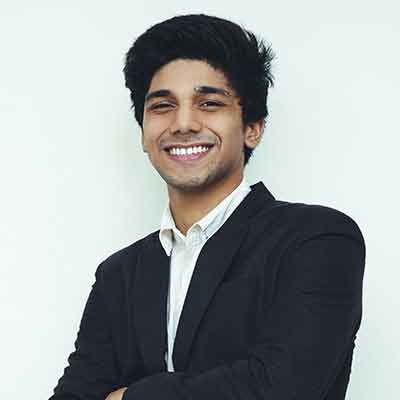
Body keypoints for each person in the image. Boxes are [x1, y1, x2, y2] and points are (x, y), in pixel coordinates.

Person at [49, 13, 366, 400]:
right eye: (162, 106)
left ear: (252, 128)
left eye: (209, 103)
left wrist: (128, 397)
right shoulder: (118, 275)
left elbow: (281, 388)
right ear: (144, 133)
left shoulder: (316, 240)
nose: (183, 123)